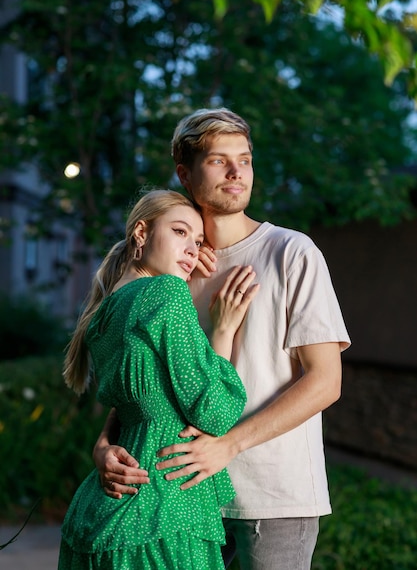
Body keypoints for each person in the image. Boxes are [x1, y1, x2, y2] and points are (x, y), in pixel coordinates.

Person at [94, 109, 351, 570]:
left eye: (245, 159)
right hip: (180, 497)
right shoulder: (176, 266)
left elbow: (325, 382)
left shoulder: (292, 252)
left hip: (271, 499)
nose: (237, 172)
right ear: (185, 173)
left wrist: (227, 444)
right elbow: (151, 381)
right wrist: (104, 442)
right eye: (218, 160)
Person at [58, 189, 260, 570]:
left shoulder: (101, 315)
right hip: (164, 506)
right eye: (180, 232)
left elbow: (139, 403)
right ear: (140, 233)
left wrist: (102, 445)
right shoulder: (166, 292)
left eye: (198, 241)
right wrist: (223, 330)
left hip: (100, 509)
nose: (191, 249)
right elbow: (213, 413)